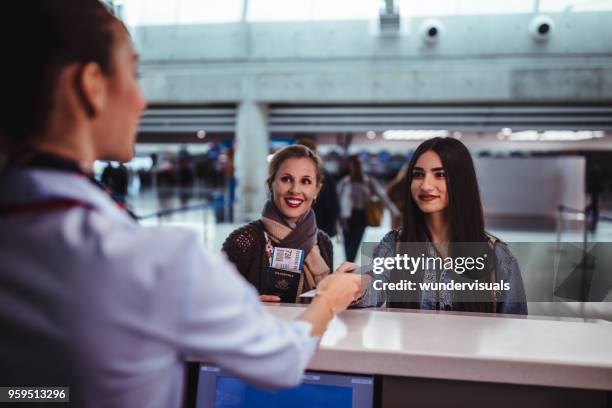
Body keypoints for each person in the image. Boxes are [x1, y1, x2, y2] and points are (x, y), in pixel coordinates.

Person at [0, 2, 363, 406]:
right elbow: (281, 359)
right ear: (91, 85)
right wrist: (330, 298)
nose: (141, 100)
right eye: (134, 75)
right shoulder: (158, 259)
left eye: (307, 182)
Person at [361, 137, 527, 314]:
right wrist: (355, 284)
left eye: (440, 175)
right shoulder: (395, 245)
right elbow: (373, 290)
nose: (425, 185)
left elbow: (514, 331)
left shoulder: (498, 257)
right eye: (418, 174)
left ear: (461, 182)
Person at [223, 144, 360, 303]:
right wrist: (248, 304)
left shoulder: (322, 242)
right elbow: (213, 303)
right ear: (270, 184)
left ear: (317, 190)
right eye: (286, 179)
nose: (295, 190)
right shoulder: (244, 241)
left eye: (305, 181)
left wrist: (343, 288)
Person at [337, 155, 400, 262]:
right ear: (350, 167)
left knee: (356, 241)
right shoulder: (345, 182)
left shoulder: (368, 181)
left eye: (358, 165)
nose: (356, 168)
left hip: (361, 215)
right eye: (353, 165)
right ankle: (348, 262)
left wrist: (394, 211)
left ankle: (349, 262)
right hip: (347, 216)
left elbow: (383, 197)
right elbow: (337, 200)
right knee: (347, 241)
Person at [295, 137, 341, 237]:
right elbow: (333, 205)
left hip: (312, 229)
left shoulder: (322, 176)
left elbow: (332, 205)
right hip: (314, 228)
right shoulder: (323, 175)